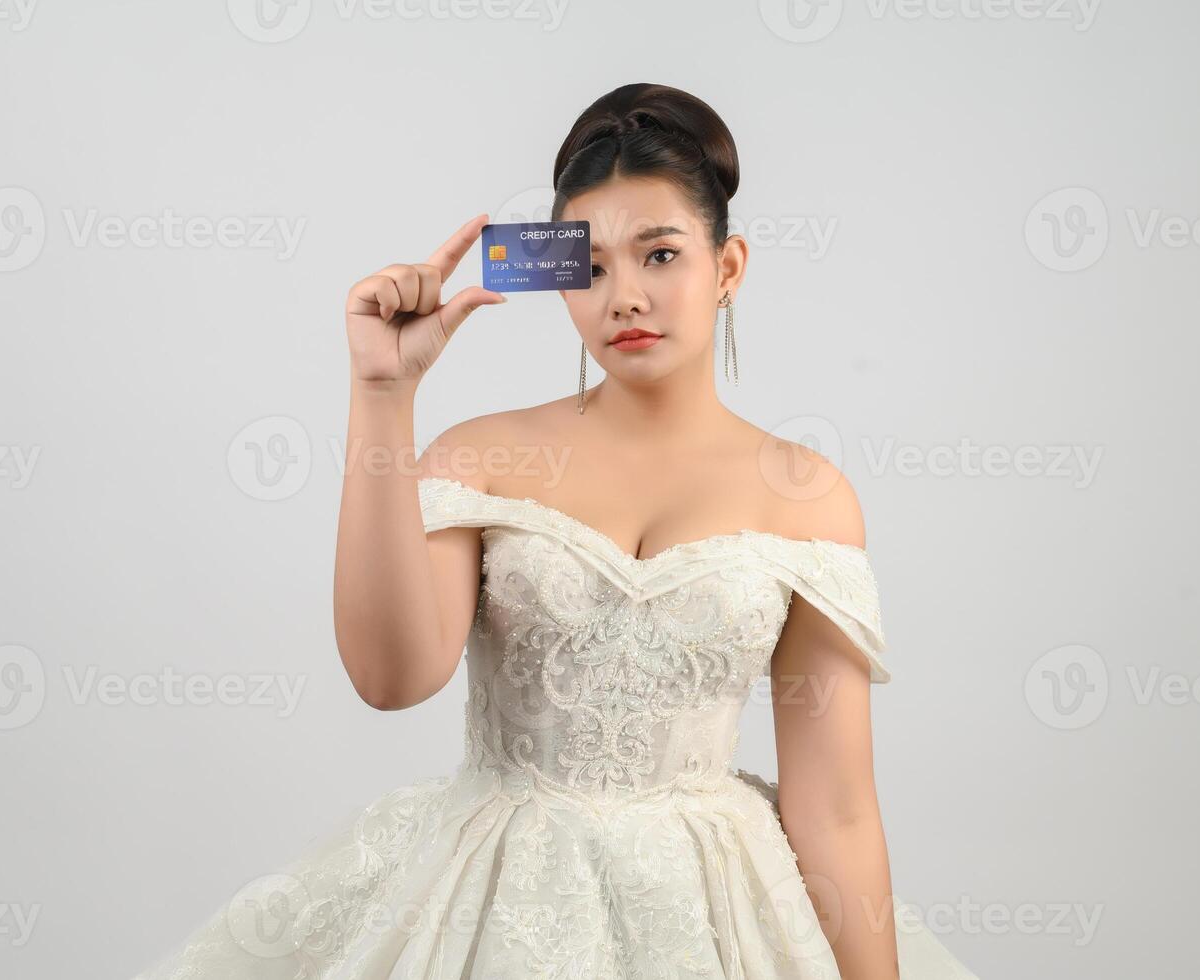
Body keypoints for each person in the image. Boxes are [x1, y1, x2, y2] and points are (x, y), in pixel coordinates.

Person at [133, 82, 979, 980]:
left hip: (716, 914)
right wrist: (383, 398)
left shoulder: (806, 496)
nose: (624, 297)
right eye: (593, 266)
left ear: (727, 268)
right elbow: (390, 678)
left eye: (660, 255)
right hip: (495, 898)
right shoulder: (485, 455)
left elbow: (837, 810)